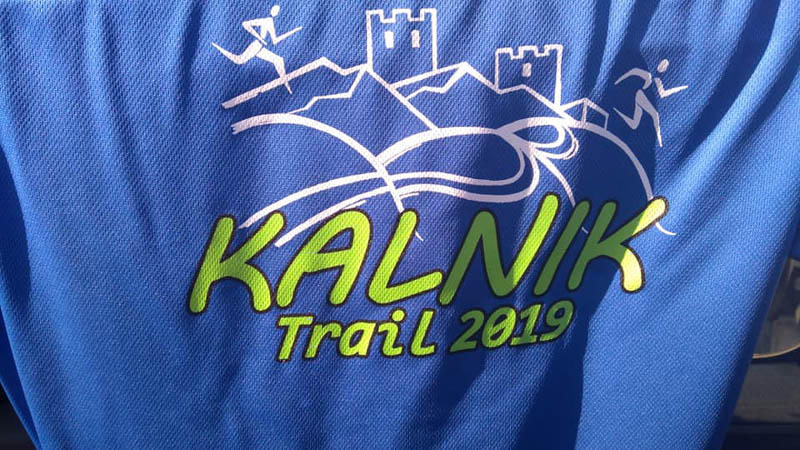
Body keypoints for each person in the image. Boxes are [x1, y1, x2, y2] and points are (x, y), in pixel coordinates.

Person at [211, 5, 302, 93]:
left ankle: (287, 85)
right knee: (238, 60)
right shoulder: (265, 20)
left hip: (260, 47)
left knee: (278, 60)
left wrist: (294, 31)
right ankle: (216, 46)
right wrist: (259, 37)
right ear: (271, 10)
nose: (276, 12)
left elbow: (275, 41)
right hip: (256, 45)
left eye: (277, 11)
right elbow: (245, 24)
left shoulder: (270, 22)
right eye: (275, 9)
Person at [613, 59, 688, 146]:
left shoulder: (657, 80)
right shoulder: (649, 74)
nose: (663, 67)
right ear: (658, 63)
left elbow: (663, 94)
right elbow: (634, 71)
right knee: (655, 115)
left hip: (640, 97)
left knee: (634, 123)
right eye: (663, 64)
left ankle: (617, 113)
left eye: (665, 66)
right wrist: (618, 81)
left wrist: (680, 88)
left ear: (666, 69)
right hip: (639, 95)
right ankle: (659, 140)